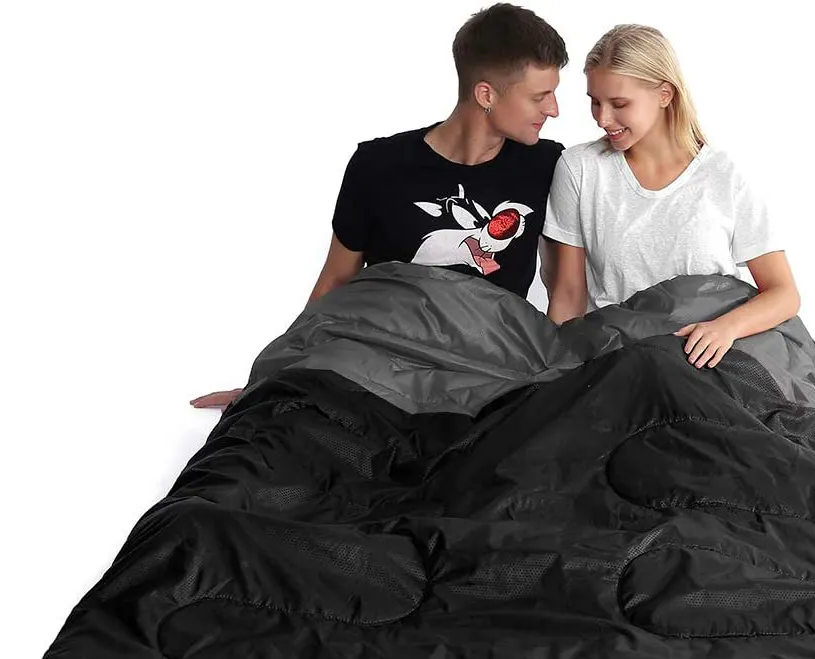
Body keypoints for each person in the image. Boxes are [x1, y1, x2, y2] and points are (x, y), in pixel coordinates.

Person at [192, 3, 569, 410]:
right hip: (378, 376)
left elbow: (564, 289)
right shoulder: (379, 165)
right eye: (540, 96)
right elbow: (336, 282)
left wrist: (555, 391)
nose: (554, 109)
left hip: (486, 377)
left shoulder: (547, 165)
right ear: (486, 95)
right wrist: (272, 379)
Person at [542, 24, 802, 369]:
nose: (603, 118)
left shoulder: (722, 176)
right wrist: (554, 374)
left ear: (665, 94)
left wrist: (725, 328)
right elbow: (568, 297)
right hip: (622, 360)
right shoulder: (580, 169)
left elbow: (784, 293)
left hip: (709, 362)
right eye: (595, 102)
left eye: (619, 104)